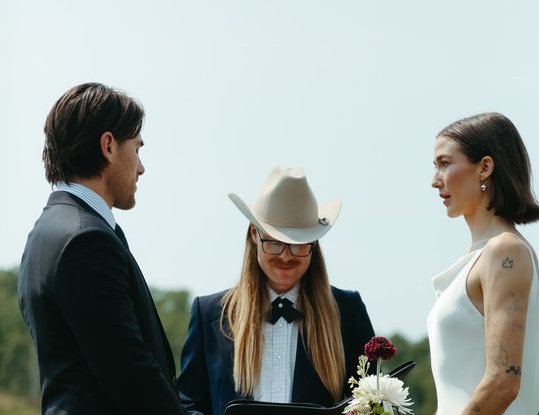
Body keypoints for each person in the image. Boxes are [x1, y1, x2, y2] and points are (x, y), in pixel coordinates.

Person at [18, 83, 185, 414]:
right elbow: (130, 374)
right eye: (137, 148)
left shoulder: (46, 231)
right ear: (108, 146)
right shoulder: (85, 241)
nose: (141, 167)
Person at [178, 167, 375, 415]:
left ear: (314, 244)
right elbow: (188, 405)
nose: (285, 255)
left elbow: (373, 401)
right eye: (275, 242)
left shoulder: (348, 311)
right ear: (254, 234)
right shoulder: (209, 314)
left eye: (297, 244)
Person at [427, 112, 539, 415]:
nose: (434, 181)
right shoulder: (480, 256)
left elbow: (503, 382)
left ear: (484, 167)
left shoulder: (506, 251)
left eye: (445, 163)